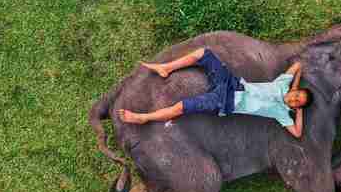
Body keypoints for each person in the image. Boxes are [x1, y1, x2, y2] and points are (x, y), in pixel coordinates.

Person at [119, 48, 312, 138]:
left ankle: (143, 117)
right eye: (296, 96)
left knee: (180, 108)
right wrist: (295, 85)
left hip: (225, 101)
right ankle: (166, 68)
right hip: (231, 82)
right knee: (204, 53)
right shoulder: (282, 84)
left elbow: (297, 132)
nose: (293, 99)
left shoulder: (281, 112)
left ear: (294, 107)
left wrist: (300, 111)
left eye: (296, 102)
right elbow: (298, 66)